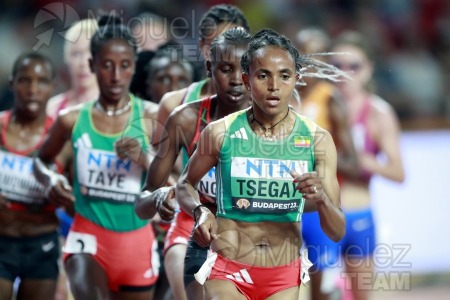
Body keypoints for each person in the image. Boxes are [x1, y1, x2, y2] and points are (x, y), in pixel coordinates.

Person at [175, 28, 346, 300]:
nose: (274, 86)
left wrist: (321, 198)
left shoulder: (317, 140)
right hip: (228, 269)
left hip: (283, 275)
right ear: (247, 80)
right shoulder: (220, 132)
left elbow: (336, 231)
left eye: (284, 76)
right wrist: (200, 211)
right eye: (263, 75)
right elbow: (184, 184)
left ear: (296, 79)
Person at [33, 16, 160, 300]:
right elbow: (41, 161)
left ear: (133, 67)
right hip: (86, 238)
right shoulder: (70, 120)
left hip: (136, 244)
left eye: (124, 66)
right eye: (106, 65)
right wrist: (51, 178)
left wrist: (144, 157)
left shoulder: (152, 116)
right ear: (92, 66)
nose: (115, 75)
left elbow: (176, 178)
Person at [135, 27, 252, 300]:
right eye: (226, 69)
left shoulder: (275, 123)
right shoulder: (186, 119)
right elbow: (142, 203)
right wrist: (159, 197)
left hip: (249, 234)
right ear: (209, 68)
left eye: (244, 70)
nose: (236, 80)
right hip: (191, 228)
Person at [329, 31, 405, 300]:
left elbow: (398, 172)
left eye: (354, 66)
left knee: (361, 296)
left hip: (358, 215)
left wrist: (365, 161)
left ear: (368, 70)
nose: (345, 72)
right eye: (336, 66)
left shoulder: (378, 113)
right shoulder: (316, 108)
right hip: (320, 216)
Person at [294, 27, 360, 300]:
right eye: (307, 55)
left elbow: (353, 162)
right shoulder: (280, 96)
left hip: (316, 208)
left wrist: (321, 157)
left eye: (319, 56)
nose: (313, 63)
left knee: (319, 289)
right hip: (283, 206)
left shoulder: (330, 99)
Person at [0, 52, 70, 300]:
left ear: (52, 86)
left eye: (41, 82)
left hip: (42, 245)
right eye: (24, 80)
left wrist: (64, 198)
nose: (32, 89)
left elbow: (78, 207)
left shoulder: (63, 140)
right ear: (12, 84)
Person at [154, 4, 250, 143]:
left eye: (236, 46)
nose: (229, 54)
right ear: (202, 46)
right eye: (219, 45)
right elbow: (161, 160)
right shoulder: (174, 103)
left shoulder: (269, 106)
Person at [46, 18, 99, 119]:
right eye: (76, 54)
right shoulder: (51, 110)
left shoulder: (121, 109)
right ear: (66, 58)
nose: (84, 63)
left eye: (91, 54)